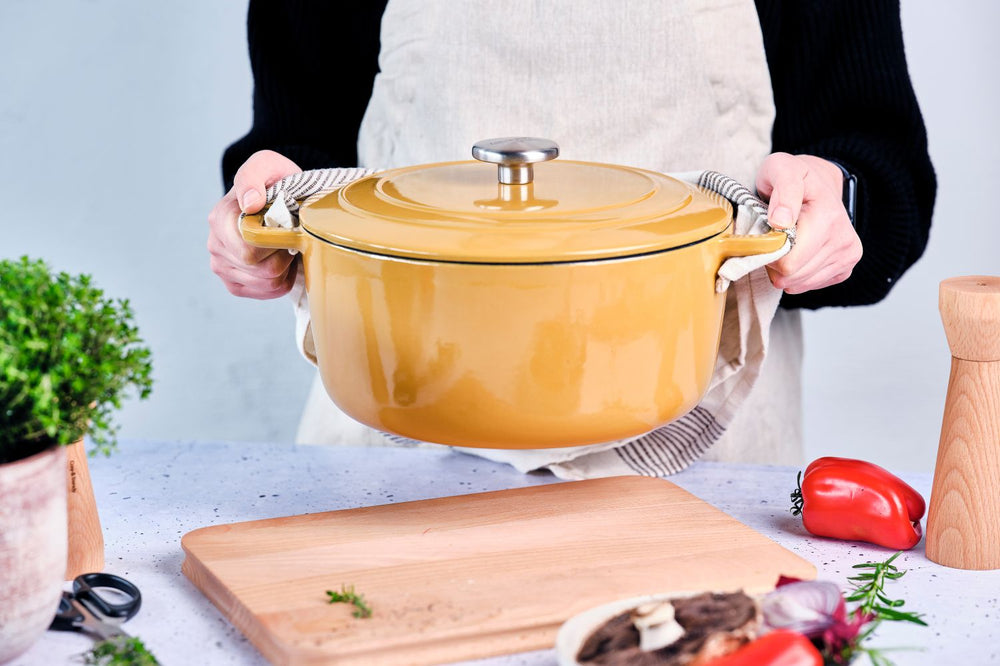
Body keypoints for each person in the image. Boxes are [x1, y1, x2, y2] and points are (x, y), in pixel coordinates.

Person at [207, 1, 935, 474]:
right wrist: (259, 217)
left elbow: (885, 173)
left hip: (700, 453)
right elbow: (293, 145)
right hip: (395, 445)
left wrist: (832, 207)